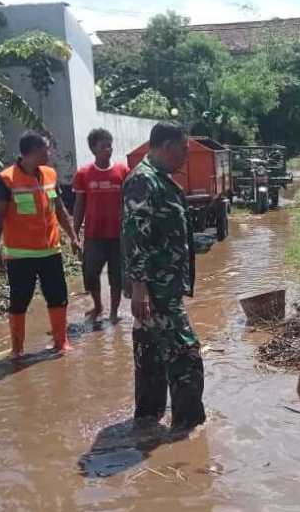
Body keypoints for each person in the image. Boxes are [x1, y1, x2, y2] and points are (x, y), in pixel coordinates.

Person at [121, 122, 206, 430]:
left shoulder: (159, 180)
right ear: (167, 146)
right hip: (156, 290)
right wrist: (140, 286)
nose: (186, 156)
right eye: (184, 150)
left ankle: (146, 422)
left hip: (161, 287)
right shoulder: (144, 180)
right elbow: (135, 234)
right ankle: (189, 427)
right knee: (186, 355)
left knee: (151, 357)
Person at [0, 131, 81, 357]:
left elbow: (59, 208)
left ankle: (61, 342)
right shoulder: (6, 179)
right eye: (46, 148)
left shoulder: (49, 174)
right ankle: (17, 349)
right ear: (32, 151)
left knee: (57, 295)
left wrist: (73, 237)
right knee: (19, 300)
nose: (49, 153)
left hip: (50, 250)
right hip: (21, 256)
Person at [73, 128, 129, 325]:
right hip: (94, 235)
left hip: (117, 235)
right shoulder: (83, 173)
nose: (109, 149)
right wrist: (74, 234)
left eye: (110, 144)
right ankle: (98, 306)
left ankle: (114, 312)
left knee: (117, 276)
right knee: (90, 273)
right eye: (104, 145)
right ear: (93, 148)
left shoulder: (123, 171)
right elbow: (79, 204)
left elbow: (129, 203)